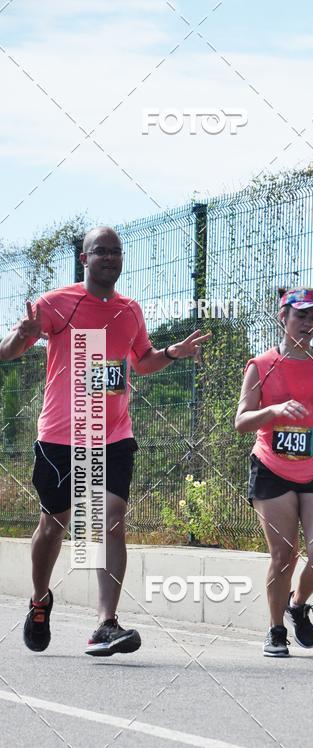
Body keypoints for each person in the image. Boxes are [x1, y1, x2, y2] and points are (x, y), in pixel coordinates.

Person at [0, 226, 211, 657]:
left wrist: (174, 352)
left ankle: (106, 624)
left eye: (116, 252)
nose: (110, 258)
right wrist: (24, 334)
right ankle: (40, 599)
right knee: (54, 524)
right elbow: (7, 352)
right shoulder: (55, 304)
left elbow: (142, 361)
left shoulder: (130, 310)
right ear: (84, 258)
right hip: (61, 435)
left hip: (114, 433)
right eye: (101, 252)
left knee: (111, 519)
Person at [235, 287, 313, 657]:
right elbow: (241, 421)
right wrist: (273, 412)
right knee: (284, 554)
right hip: (273, 467)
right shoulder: (261, 365)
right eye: (301, 315)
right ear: (282, 317)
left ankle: (297, 604)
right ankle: (275, 630)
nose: (309, 323)